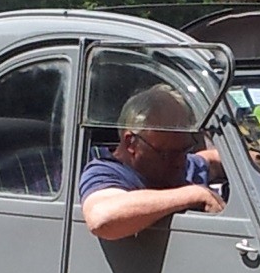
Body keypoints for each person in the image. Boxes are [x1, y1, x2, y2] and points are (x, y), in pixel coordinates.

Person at [79, 84, 226, 240]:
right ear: (131, 143)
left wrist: (253, 157)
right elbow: (102, 219)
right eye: (167, 153)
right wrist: (194, 195)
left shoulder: (180, 163)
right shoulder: (105, 172)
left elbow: (210, 159)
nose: (180, 162)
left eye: (184, 150)